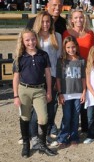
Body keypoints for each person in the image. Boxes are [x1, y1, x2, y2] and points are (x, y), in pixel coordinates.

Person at [12, 29, 57, 158]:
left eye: (33, 39)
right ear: (22, 41)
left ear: (36, 39)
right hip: (24, 90)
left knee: (43, 117)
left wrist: (49, 91)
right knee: (25, 117)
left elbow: (48, 74)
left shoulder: (43, 55)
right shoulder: (20, 57)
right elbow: (16, 78)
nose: (30, 42)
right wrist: (16, 95)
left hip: (39, 90)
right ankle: (26, 144)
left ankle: (42, 144)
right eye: (27, 40)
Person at [31, 12, 62, 146]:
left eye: (48, 21)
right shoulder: (34, 37)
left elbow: (59, 59)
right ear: (39, 22)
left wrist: (58, 79)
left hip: (53, 76)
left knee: (51, 107)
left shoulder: (57, 37)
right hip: (37, 78)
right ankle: (33, 136)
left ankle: (46, 134)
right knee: (36, 109)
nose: (45, 24)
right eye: (43, 21)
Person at [63, 9, 94, 133]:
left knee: (85, 96)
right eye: (75, 18)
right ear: (71, 20)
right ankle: (70, 126)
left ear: (84, 18)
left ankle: (86, 125)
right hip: (72, 69)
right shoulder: (66, 33)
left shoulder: (90, 33)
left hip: (87, 68)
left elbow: (92, 52)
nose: (78, 20)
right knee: (73, 99)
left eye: (81, 17)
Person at [56, 36, 86, 148]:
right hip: (66, 94)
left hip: (78, 94)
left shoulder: (81, 60)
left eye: (73, 47)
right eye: (68, 47)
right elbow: (58, 78)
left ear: (76, 47)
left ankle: (74, 137)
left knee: (75, 116)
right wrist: (60, 93)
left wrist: (84, 92)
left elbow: (83, 78)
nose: (71, 49)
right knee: (67, 116)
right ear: (64, 48)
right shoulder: (61, 61)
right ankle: (63, 138)